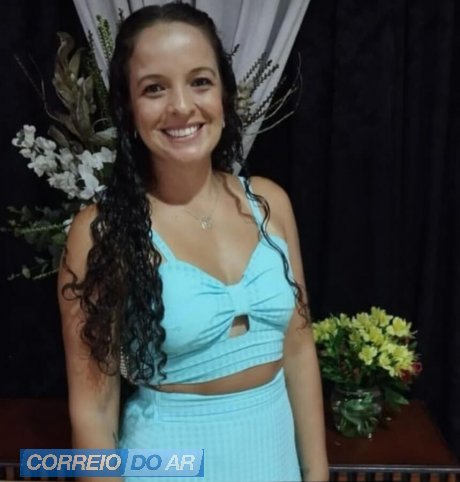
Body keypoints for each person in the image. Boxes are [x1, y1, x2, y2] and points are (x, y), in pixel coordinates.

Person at [58, 3, 328, 482]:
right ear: (128, 109)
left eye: (200, 81)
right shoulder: (101, 232)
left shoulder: (270, 204)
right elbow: (93, 412)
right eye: (154, 88)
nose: (181, 106)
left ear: (224, 93)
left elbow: (299, 351)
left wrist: (317, 474)